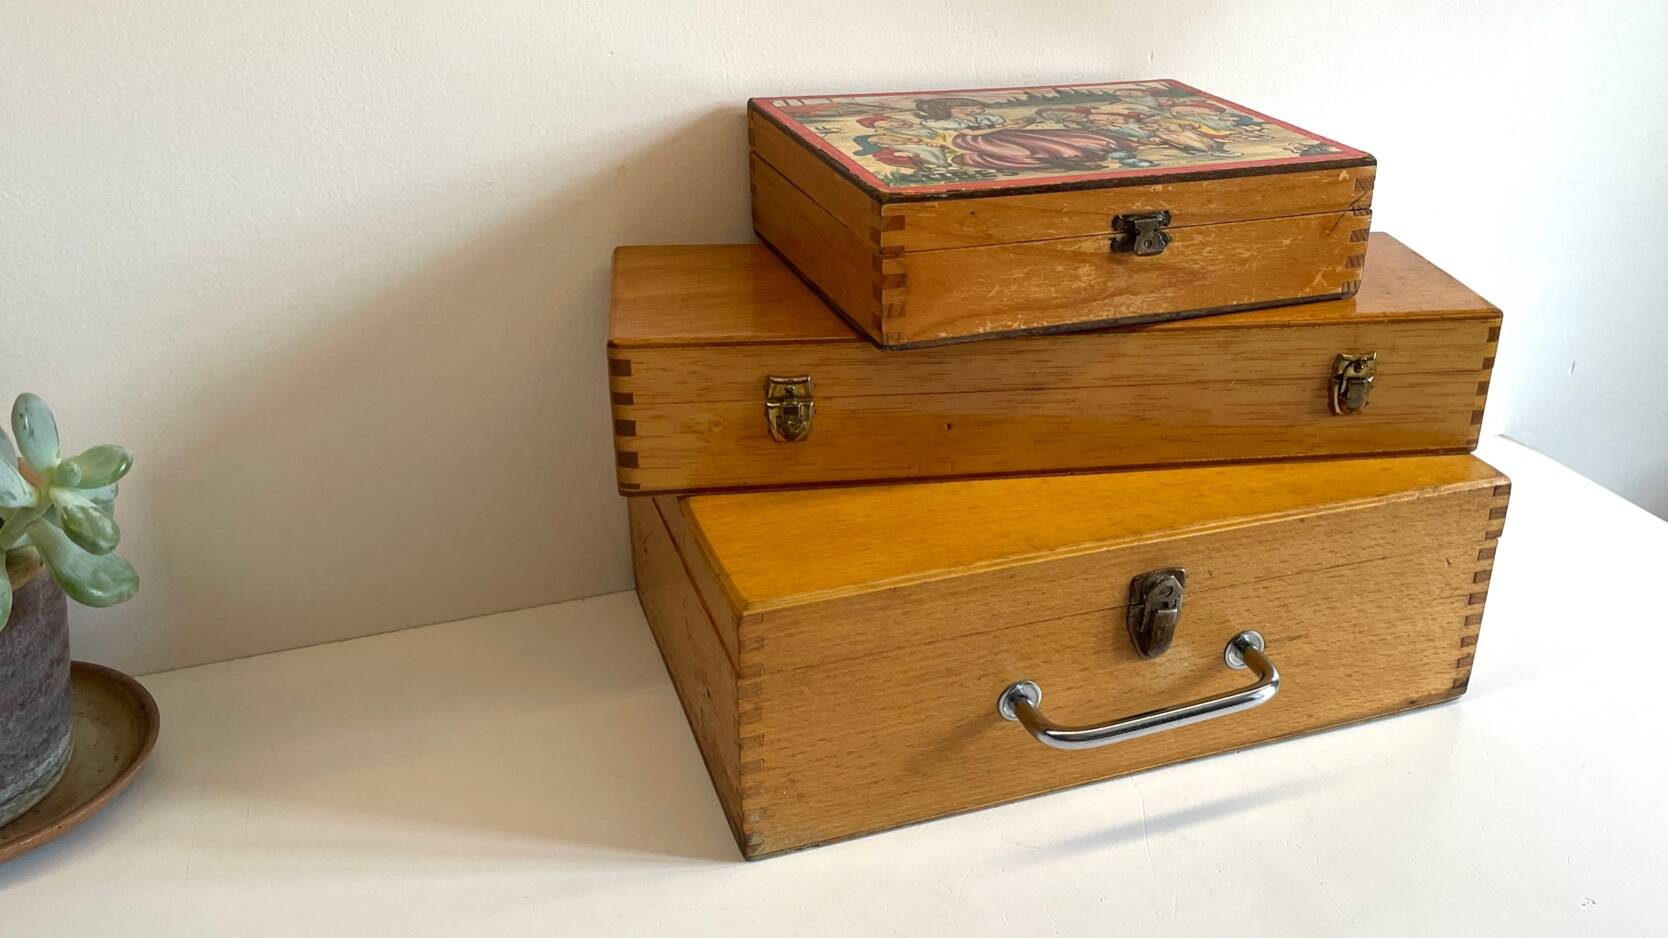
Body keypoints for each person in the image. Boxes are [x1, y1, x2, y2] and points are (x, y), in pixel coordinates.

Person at [913, 97, 1116, 172]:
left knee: (1040, 139)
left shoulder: (984, 117)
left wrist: (1016, 125)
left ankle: (1076, 151)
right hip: (972, 141)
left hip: (1001, 135)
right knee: (1020, 150)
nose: (975, 111)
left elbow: (998, 125)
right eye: (968, 109)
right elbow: (971, 133)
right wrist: (1005, 126)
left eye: (975, 108)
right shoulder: (947, 122)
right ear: (946, 110)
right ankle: (1057, 158)